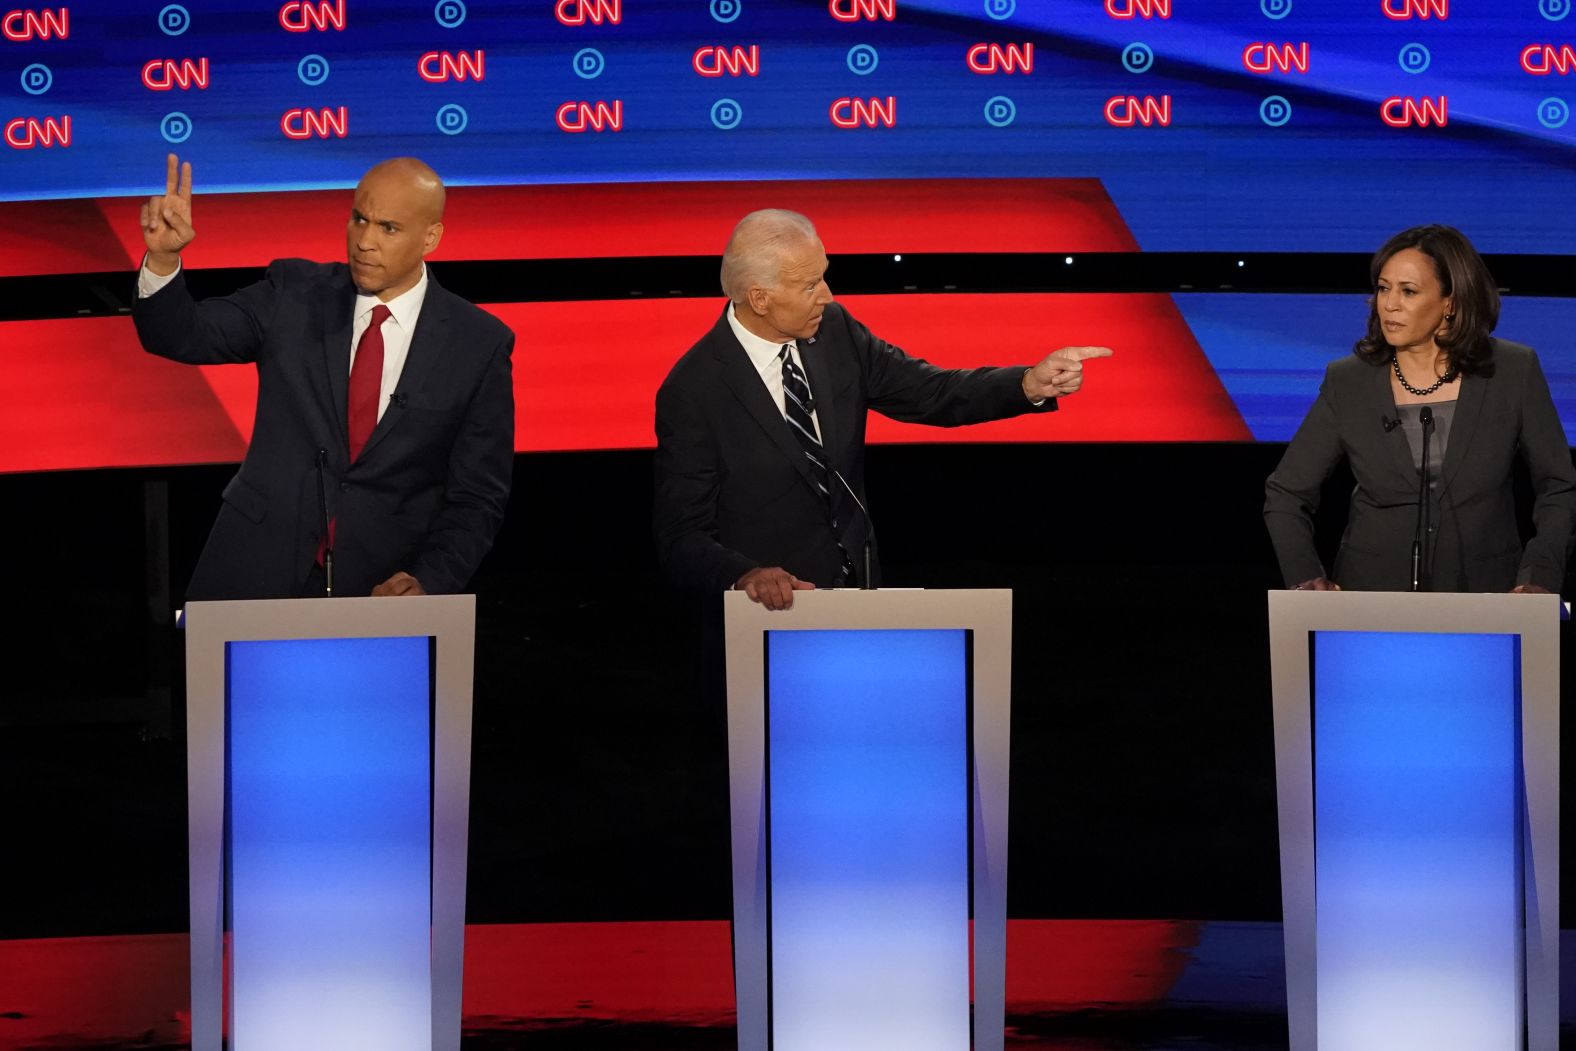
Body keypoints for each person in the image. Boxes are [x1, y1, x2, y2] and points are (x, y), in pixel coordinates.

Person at [653, 208, 1112, 609]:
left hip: (859, 599)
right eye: (810, 284)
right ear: (759, 297)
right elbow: (682, 537)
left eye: (824, 275)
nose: (827, 295)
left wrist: (1027, 383)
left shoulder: (835, 333)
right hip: (766, 618)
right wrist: (746, 575)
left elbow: (931, 391)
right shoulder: (694, 390)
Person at [133, 153, 514, 600]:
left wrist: (429, 580)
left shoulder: (477, 344)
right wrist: (162, 262)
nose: (364, 241)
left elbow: (476, 500)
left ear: (431, 237)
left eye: (388, 228)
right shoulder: (293, 293)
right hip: (254, 570)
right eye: (359, 219)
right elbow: (183, 335)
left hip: (380, 592)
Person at [1264, 224, 1576, 593]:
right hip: (1371, 599)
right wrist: (1306, 577)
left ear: (1451, 302)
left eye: (1408, 291)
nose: (1389, 304)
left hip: (1487, 599)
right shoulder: (1349, 381)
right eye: (1383, 288)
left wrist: (1540, 577)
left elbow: (1559, 487)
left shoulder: (1512, 371)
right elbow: (1286, 493)